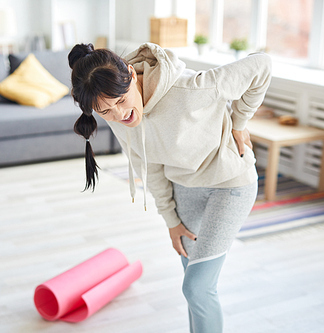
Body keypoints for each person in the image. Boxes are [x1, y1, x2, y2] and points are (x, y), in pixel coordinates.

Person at [68, 42, 272, 333]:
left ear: (131, 74)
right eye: (105, 111)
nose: (119, 113)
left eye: (122, 100)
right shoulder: (116, 114)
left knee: (197, 287)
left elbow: (261, 65)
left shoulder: (191, 89)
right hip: (184, 188)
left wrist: (239, 122)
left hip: (230, 183)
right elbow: (147, 166)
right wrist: (171, 220)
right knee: (194, 286)